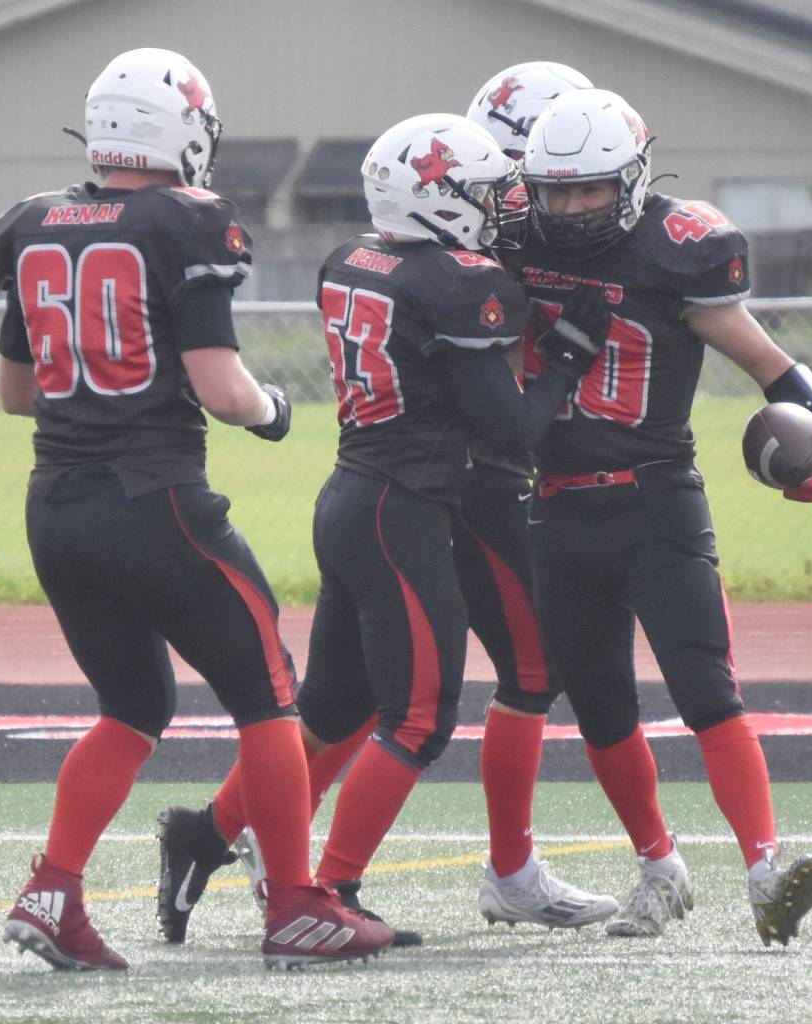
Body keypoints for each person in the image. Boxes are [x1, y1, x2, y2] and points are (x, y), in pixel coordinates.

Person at [155, 112, 617, 945]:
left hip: (352, 497)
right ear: (439, 198)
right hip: (401, 511)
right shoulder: (461, 284)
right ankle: (329, 889)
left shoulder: (351, 259)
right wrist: (570, 356)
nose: (500, 207)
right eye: (484, 193)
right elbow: (513, 428)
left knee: (336, 707)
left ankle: (205, 836)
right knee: (418, 719)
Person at [0, 46, 393, 971]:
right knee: (269, 697)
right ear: (178, 131)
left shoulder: (31, 222)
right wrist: (273, 409)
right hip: (154, 500)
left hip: (55, 506)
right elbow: (221, 388)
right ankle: (295, 904)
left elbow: (17, 394)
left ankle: (53, 891)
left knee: (133, 707)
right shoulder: (188, 218)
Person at [506, 87, 812, 946]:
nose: (572, 207)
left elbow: (766, 360)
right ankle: (658, 868)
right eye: (557, 191)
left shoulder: (676, 250)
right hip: (557, 505)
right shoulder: (510, 238)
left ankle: (764, 872)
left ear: (630, 179)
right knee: (601, 709)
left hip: (656, 499)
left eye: (591, 189)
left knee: (708, 690)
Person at [462, 61, 614, 929]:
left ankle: (229, 832)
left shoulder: (448, 240)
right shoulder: (472, 261)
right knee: (507, 674)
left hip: (402, 478)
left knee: (361, 689)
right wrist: (561, 360)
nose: (555, 201)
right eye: (543, 179)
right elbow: (511, 415)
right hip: (456, 478)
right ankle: (510, 872)